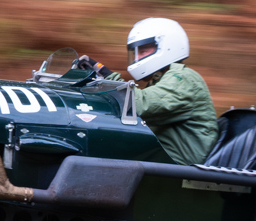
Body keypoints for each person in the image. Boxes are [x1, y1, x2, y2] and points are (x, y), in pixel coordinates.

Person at [79, 18, 219, 166]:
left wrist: (107, 77)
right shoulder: (161, 80)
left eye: (143, 51)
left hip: (179, 166)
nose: (137, 58)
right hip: (160, 159)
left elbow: (138, 104)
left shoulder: (183, 78)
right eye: (136, 53)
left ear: (167, 46)